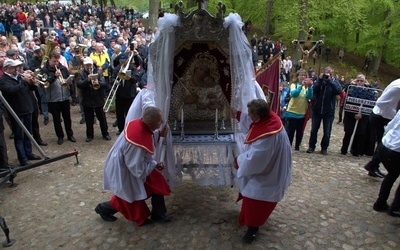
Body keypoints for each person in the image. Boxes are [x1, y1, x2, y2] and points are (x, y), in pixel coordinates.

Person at [95, 106, 172, 226]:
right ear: (150, 122)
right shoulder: (137, 141)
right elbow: (137, 169)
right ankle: (103, 208)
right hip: (126, 170)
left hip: (133, 164)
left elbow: (147, 136)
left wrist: (158, 134)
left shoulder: (141, 125)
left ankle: (158, 213)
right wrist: (154, 164)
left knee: (157, 182)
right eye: (159, 121)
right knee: (128, 197)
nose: (160, 123)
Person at [230, 99, 292, 244]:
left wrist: (238, 161)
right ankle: (250, 221)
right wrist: (239, 115)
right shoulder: (269, 117)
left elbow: (254, 160)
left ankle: (253, 229)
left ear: (258, 117)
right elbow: (252, 124)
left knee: (255, 195)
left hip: (270, 171)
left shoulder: (267, 136)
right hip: (271, 163)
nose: (249, 117)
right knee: (252, 192)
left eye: (250, 114)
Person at [0, 59, 41, 166]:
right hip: (16, 113)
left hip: (27, 109)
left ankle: (29, 153)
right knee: (19, 137)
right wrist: (24, 81)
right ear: (7, 68)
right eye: (14, 67)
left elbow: (30, 89)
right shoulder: (3, 80)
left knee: (28, 134)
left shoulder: (19, 77)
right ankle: (22, 159)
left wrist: (33, 82)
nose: (17, 69)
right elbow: (12, 90)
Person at [364, 78, 400, 178]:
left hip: (384, 116)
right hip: (380, 116)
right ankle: (372, 165)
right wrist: (396, 115)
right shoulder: (397, 87)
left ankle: (373, 165)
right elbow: (380, 103)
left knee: (383, 142)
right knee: (383, 143)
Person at [40, 51, 76, 145]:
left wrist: (69, 81)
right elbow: (45, 83)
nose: (56, 63)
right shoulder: (44, 70)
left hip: (64, 97)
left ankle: (70, 134)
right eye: (54, 61)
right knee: (56, 119)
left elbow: (68, 79)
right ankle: (60, 136)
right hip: (53, 99)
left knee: (67, 118)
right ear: (49, 60)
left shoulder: (63, 68)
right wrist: (53, 76)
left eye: (57, 61)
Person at [306, 66, 342, 155]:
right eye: (327, 72)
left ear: (332, 73)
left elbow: (338, 91)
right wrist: (320, 80)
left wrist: (329, 81)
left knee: (327, 131)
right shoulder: (320, 81)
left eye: (330, 72)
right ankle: (311, 146)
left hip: (329, 111)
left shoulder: (334, 82)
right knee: (314, 130)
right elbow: (314, 89)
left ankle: (324, 147)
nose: (328, 74)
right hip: (317, 109)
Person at [372, 109, 400, 216]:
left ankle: (380, 203)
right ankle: (396, 208)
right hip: (396, 150)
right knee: (393, 173)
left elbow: (390, 126)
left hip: (384, 146)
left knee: (392, 173)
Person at [77, 57, 111, 142]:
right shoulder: (81, 73)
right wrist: (87, 80)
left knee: (102, 118)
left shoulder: (98, 72)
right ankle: (89, 135)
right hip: (87, 99)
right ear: (84, 65)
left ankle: (105, 133)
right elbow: (79, 84)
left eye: (90, 65)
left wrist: (97, 82)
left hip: (98, 99)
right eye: (87, 65)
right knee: (89, 119)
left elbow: (104, 84)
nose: (89, 67)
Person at [340, 75, 370, 157]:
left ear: (365, 82)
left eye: (362, 81)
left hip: (362, 116)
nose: (360, 83)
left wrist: (362, 114)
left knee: (359, 134)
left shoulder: (368, 91)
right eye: (358, 81)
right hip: (350, 115)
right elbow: (347, 102)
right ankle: (344, 150)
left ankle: (355, 150)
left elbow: (370, 105)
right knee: (348, 133)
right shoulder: (351, 89)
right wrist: (354, 114)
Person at [285, 70, 313, 150]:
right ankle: (288, 145)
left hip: (302, 112)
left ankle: (297, 145)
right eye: (301, 75)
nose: (303, 77)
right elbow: (294, 94)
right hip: (292, 112)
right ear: (297, 76)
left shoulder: (307, 87)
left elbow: (309, 96)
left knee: (300, 131)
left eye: (304, 75)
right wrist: (301, 86)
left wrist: (310, 87)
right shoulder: (294, 85)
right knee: (291, 131)